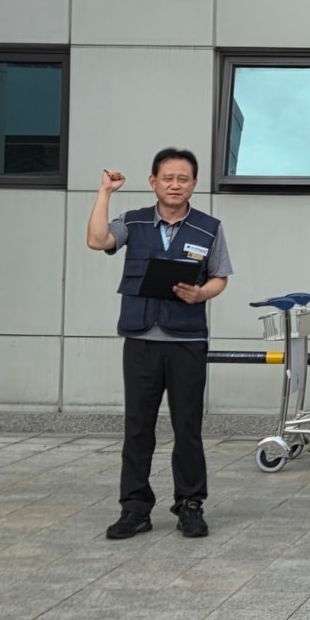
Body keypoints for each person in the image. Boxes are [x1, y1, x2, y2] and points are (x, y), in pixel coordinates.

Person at [86, 148, 232, 540]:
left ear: (194, 184)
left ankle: (190, 505)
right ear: (154, 182)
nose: (175, 185)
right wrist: (105, 192)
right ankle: (134, 508)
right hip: (140, 340)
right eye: (168, 178)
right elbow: (97, 240)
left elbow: (220, 276)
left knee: (187, 426)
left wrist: (201, 294)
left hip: (187, 340)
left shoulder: (209, 228)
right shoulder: (133, 222)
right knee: (138, 427)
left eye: (183, 178)